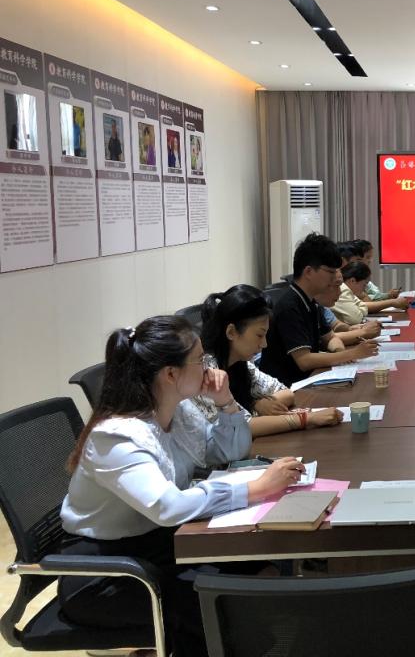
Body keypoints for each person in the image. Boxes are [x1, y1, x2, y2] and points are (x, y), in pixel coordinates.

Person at [59, 316, 305, 656]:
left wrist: (225, 402)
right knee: (221, 609)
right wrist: (255, 489)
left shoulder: (178, 411)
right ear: (171, 374)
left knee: (255, 566)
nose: (209, 368)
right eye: (200, 360)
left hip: (155, 546)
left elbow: (230, 451)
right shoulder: (117, 437)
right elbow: (168, 507)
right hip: (105, 574)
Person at [197, 285, 341, 433]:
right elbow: (242, 428)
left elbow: (286, 392)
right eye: (259, 335)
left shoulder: (240, 364)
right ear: (231, 332)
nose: (264, 344)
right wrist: (306, 419)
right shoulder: (206, 372)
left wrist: (255, 404)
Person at [259, 233, 378, 387]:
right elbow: (304, 360)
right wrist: (351, 354)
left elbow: (330, 338)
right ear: (309, 272)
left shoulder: (311, 302)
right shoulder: (289, 306)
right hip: (288, 387)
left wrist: (339, 352)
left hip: (308, 380)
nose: (334, 277)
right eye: (330, 272)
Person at [340, 240, 410, 313]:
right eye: (357, 261)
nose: (369, 261)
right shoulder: (339, 284)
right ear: (343, 261)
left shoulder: (353, 281)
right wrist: (392, 302)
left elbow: (365, 303)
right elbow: (359, 310)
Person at [331, 261, 371, 325]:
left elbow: (364, 306)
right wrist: (358, 311)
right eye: (364, 284)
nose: (365, 288)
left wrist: (358, 311)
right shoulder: (343, 289)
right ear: (352, 281)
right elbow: (355, 319)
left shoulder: (348, 291)